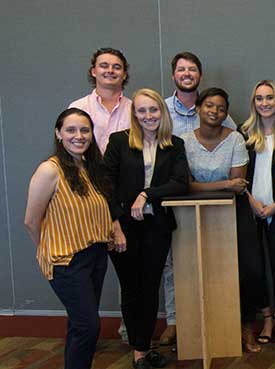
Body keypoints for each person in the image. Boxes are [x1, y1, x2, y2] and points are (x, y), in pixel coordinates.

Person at [24, 108, 127, 369]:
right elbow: (31, 220)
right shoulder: (50, 170)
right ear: (58, 134)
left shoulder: (90, 168)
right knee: (88, 326)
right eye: (70, 130)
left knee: (79, 324)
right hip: (65, 260)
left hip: (94, 256)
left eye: (84, 130)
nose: (78, 136)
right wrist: (44, 252)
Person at [103, 88, 189, 368]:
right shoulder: (118, 142)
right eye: (142, 110)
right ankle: (138, 350)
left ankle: (143, 346)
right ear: (134, 114)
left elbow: (180, 183)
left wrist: (147, 194)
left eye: (153, 110)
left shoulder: (173, 144)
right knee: (131, 289)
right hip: (123, 227)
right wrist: (116, 225)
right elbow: (106, 187)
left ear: (161, 113)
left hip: (157, 226)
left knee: (151, 288)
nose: (148, 116)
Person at [159, 52, 237, 344]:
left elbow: (231, 148)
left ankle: (216, 319)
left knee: (216, 262)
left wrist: (227, 184)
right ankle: (176, 320)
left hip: (217, 207)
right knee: (174, 262)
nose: (187, 73)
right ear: (174, 75)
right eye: (181, 69)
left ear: (200, 75)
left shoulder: (221, 112)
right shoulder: (163, 110)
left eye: (192, 69)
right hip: (173, 197)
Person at [181, 87, 264, 353]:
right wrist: (224, 183)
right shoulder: (182, 141)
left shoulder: (236, 139)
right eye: (209, 106)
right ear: (198, 108)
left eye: (220, 108)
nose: (214, 111)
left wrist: (211, 185)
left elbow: (239, 185)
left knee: (250, 270)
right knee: (200, 273)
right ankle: (204, 332)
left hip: (234, 211)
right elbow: (183, 185)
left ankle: (246, 328)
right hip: (192, 214)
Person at [241, 80, 275, 346]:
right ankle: (266, 318)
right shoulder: (244, 134)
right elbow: (237, 174)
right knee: (255, 270)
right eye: (259, 98)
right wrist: (251, 201)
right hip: (250, 210)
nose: (264, 103)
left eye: (269, 97)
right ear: (254, 103)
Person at [69, 47, 132, 153]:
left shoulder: (135, 110)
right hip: (86, 168)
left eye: (116, 67)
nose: (110, 71)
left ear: (124, 75)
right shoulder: (78, 107)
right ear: (93, 71)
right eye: (104, 66)